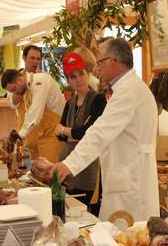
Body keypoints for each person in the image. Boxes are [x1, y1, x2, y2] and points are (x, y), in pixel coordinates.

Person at [51, 38, 159, 222]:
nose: (97, 68)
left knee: (127, 238)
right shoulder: (129, 88)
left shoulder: (128, 91)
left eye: (100, 62)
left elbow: (99, 132)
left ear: (113, 62)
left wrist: (69, 165)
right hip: (129, 172)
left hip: (131, 179)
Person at [55, 52, 106, 215]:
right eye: (73, 76)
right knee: (67, 210)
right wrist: (71, 133)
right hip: (66, 161)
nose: (78, 79)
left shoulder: (98, 99)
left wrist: (66, 131)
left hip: (87, 165)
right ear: (68, 80)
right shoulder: (70, 103)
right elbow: (58, 134)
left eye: (81, 73)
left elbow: (89, 133)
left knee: (82, 211)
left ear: (87, 73)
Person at [2, 68, 65, 162]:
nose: (15, 93)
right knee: (40, 171)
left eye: (14, 89)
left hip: (54, 135)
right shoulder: (27, 88)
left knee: (53, 172)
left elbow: (35, 113)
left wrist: (20, 136)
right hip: (43, 135)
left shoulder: (40, 81)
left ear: (19, 80)